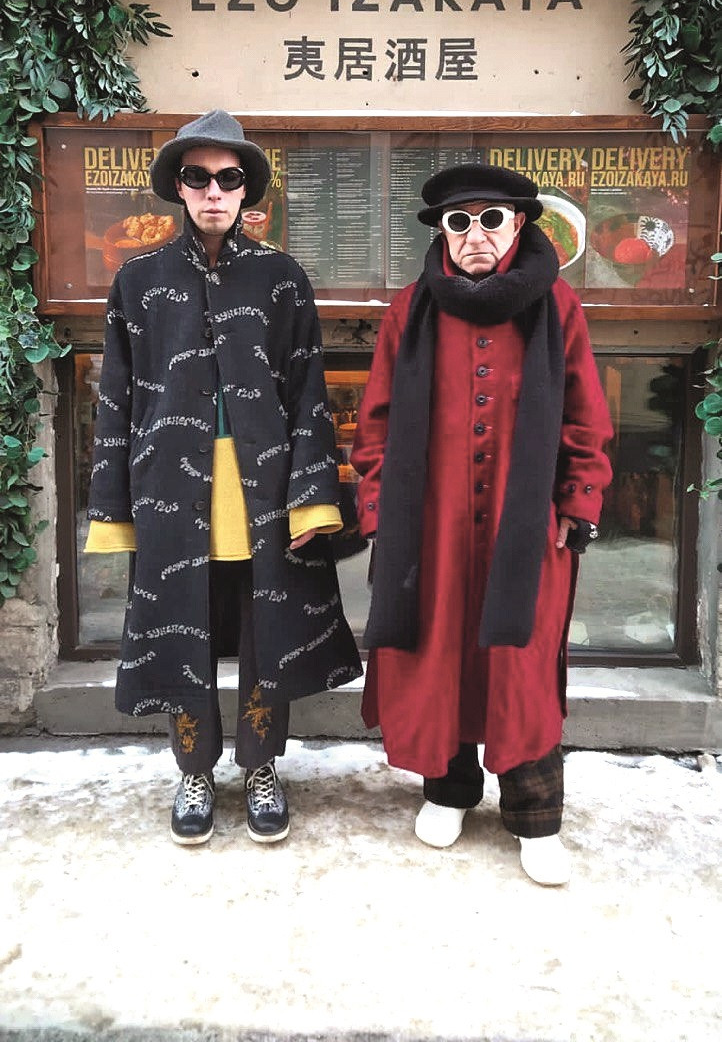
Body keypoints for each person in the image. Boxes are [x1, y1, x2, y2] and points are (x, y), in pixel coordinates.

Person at [86, 109, 361, 846]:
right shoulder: (138, 280)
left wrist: (312, 498)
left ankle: (262, 765)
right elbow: (117, 397)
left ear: (246, 190)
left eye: (229, 178)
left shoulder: (281, 279)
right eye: (198, 177)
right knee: (185, 628)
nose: (214, 191)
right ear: (178, 186)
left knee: (270, 631)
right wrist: (113, 505)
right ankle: (194, 770)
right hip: (172, 491)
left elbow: (307, 393)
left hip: (263, 491)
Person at [351, 164, 612, 885]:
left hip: (525, 525)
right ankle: (449, 790)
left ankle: (535, 814)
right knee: (439, 653)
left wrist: (576, 503)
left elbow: (586, 416)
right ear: (442, 231)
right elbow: (376, 423)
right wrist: (378, 511)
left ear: (518, 224)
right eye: (458, 221)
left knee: (520, 662)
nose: (474, 235)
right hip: (430, 527)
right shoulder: (411, 310)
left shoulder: (558, 307)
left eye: (490, 219)